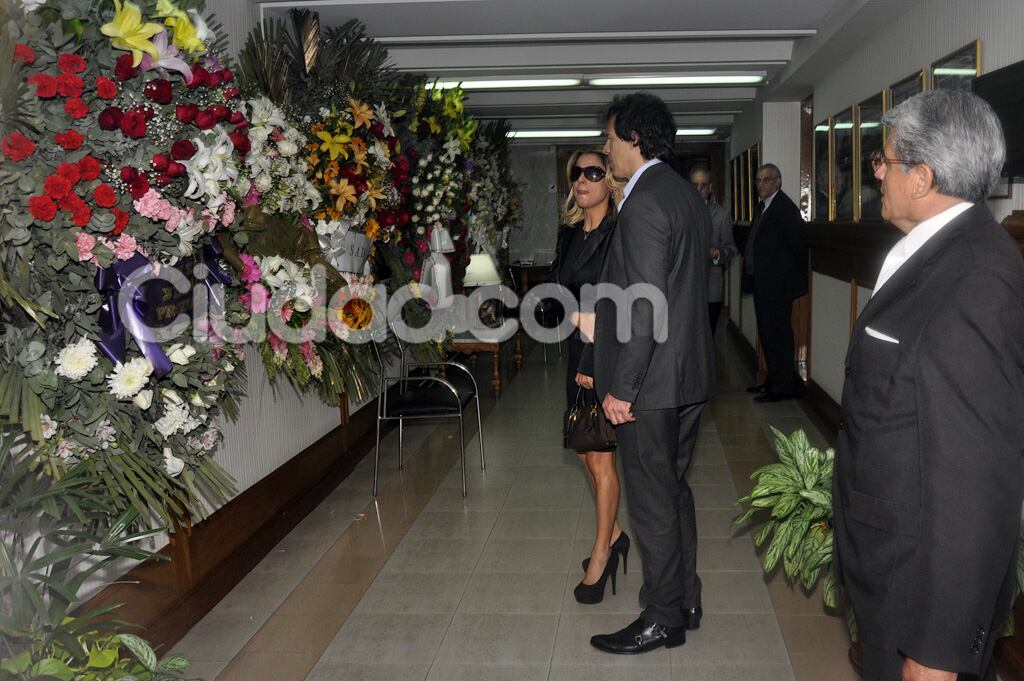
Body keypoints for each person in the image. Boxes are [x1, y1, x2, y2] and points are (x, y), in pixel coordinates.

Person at [834, 89, 1024, 681]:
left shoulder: (974, 280)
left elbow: (976, 478)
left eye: (882, 163)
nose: (876, 176)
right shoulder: (940, 252)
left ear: (921, 176)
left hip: (920, 591)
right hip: (895, 568)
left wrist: (937, 649)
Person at [586, 93, 715, 654]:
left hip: (652, 383)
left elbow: (644, 304)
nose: (606, 149)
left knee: (653, 500)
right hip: (687, 376)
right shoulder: (683, 193)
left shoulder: (642, 202)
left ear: (634, 139)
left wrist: (622, 388)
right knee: (674, 489)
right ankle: (685, 596)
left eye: (611, 139)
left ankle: (663, 616)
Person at [550, 149, 629, 605]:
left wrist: (591, 364)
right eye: (577, 173)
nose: (583, 180)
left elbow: (618, 304)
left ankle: (602, 555)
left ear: (610, 183)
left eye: (594, 172)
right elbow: (555, 292)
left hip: (604, 357)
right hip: (576, 348)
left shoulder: (620, 234)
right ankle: (616, 533)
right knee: (583, 450)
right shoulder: (569, 235)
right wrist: (572, 316)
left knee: (600, 458)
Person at [743, 163, 808, 402]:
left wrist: (780, 274)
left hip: (778, 287)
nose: (761, 185)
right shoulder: (764, 207)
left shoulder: (784, 209)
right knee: (768, 335)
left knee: (778, 335)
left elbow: (798, 245)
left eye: (766, 180)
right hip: (764, 285)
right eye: (758, 180)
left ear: (778, 182)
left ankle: (783, 387)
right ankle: (772, 381)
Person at [689, 165, 737, 334]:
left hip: (711, 287)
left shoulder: (721, 215)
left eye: (703, 185)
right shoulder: (679, 212)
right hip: (685, 289)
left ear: (710, 188)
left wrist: (716, 254)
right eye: (695, 185)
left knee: (708, 336)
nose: (699, 189)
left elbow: (731, 248)